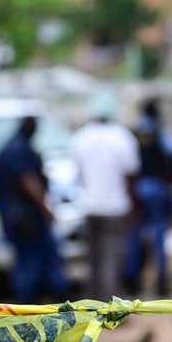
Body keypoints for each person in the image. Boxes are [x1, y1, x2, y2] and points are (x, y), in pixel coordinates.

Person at [72, 92, 141, 301]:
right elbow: (131, 174)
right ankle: (110, 306)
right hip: (115, 207)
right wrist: (133, 205)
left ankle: (92, 306)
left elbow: (78, 175)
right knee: (112, 259)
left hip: (89, 206)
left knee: (93, 261)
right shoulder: (122, 136)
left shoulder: (80, 137)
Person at [0, 116, 68, 302]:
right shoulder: (20, 149)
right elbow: (28, 180)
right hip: (27, 216)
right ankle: (30, 300)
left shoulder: (10, 147)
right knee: (31, 260)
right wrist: (45, 208)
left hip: (18, 215)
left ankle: (37, 297)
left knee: (32, 258)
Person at [123, 98, 172, 296]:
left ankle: (133, 279)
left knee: (135, 236)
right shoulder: (162, 133)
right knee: (159, 237)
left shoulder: (136, 132)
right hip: (158, 187)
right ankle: (162, 280)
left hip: (140, 188)